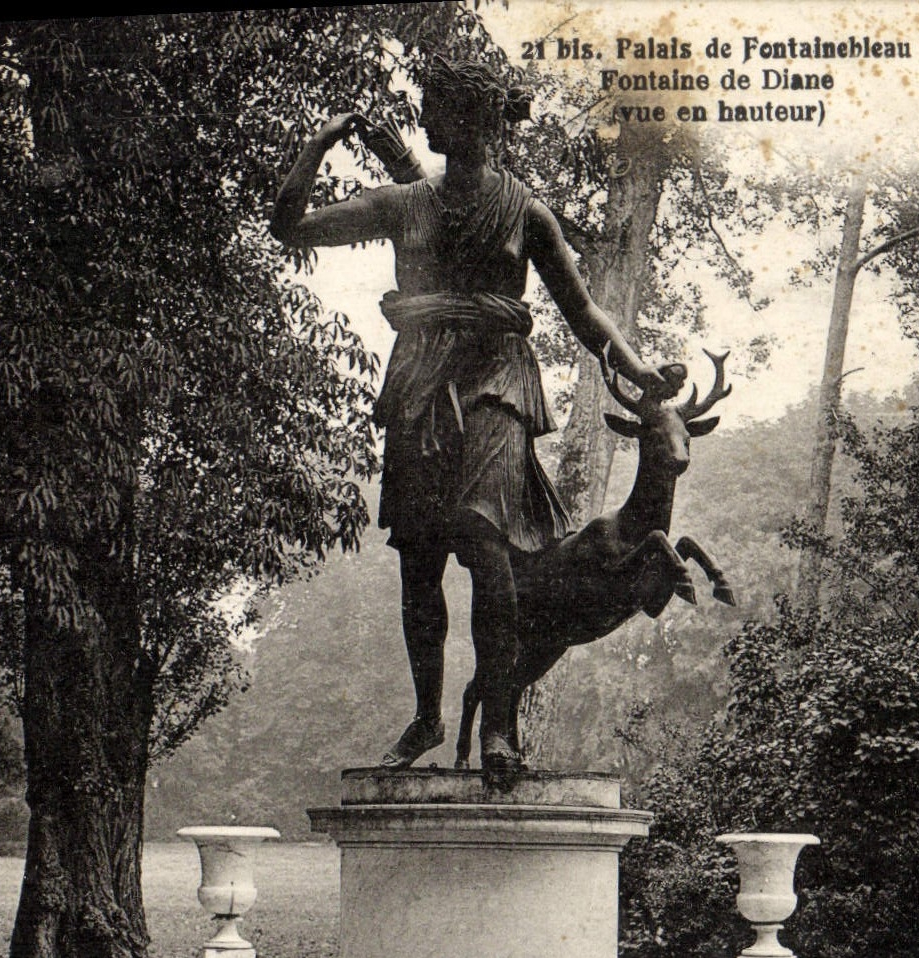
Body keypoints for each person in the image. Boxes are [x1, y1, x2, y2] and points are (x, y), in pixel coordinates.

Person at [270, 56, 674, 785]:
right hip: (422, 383)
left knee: (490, 546)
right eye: (430, 109)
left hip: (498, 380)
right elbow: (289, 226)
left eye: (442, 109)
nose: (429, 120)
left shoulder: (525, 211)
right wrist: (320, 141)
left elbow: (583, 311)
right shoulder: (403, 203)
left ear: (478, 120)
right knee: (420, 559)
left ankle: (498, 724)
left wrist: (637, 369)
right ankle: (427, 715)